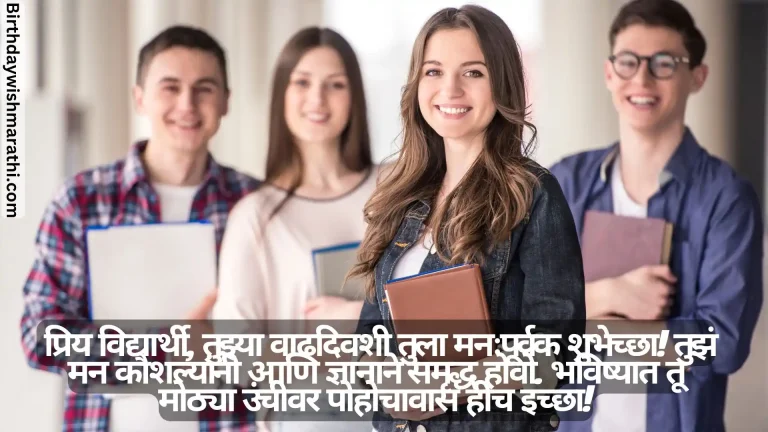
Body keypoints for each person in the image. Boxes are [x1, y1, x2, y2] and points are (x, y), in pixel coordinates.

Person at [348, 5, 586, 432]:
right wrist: (387, 380)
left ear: (502, 83)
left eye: (473, 73)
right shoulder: (401, 196)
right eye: (434, 71)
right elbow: (369, 340)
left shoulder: (532, 194)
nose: (450, 89)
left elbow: (557, 358)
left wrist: (442, 386)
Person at [19, 25, 261, 432]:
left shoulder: (254, 205)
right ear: (139, 98)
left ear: (225, 102)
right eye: (170, 87)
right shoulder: (81, 201)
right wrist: (162, 346)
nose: (187, 104)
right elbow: (40, 337)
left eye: (204, 88)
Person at [549, 1, 764, 431]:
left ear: (697, 77)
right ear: (610, 74)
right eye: (628, 62)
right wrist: (609, 297)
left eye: (664, 63)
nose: (642, 79)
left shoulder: (726, 198)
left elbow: (723, 344)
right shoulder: (564, 183)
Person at [211, 27, 378, 431]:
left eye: (335, 84)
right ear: (281, 95)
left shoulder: (395, 189)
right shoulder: (256, 215)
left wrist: (362, 317)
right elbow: (235, 356)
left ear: (353, 95)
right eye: (302, 82)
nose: (317, 99)